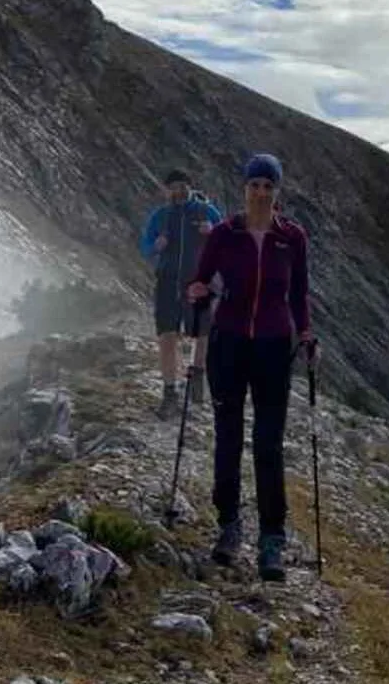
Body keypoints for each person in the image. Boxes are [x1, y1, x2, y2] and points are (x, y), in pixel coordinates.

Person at [186, 153, 317, 582]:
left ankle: (272, 538)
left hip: (274, 347)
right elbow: (201, 279)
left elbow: (299, 294)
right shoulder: (225, 234)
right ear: (244, 188)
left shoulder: (292, 237)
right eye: (255, 185)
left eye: (268, 186)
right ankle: (229, 525)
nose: (261, 193)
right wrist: (196, 291)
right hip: (228, 342)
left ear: (277, 192)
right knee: (228, 436)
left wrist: (306, 334)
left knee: (268, 443)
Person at [139, 169, 223, 419]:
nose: (178, 192)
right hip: (167, 282)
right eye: (173, 187)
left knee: (202, 333)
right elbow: (145, 246)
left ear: (190, 187)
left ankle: (196, 376)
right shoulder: (161, 216)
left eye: (182, 187)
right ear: (167, 190)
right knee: (167, 335)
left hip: (199, 282)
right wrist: (155, 246)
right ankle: (170, 393)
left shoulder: (207, 212)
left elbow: (228, 243)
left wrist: (213, 232)